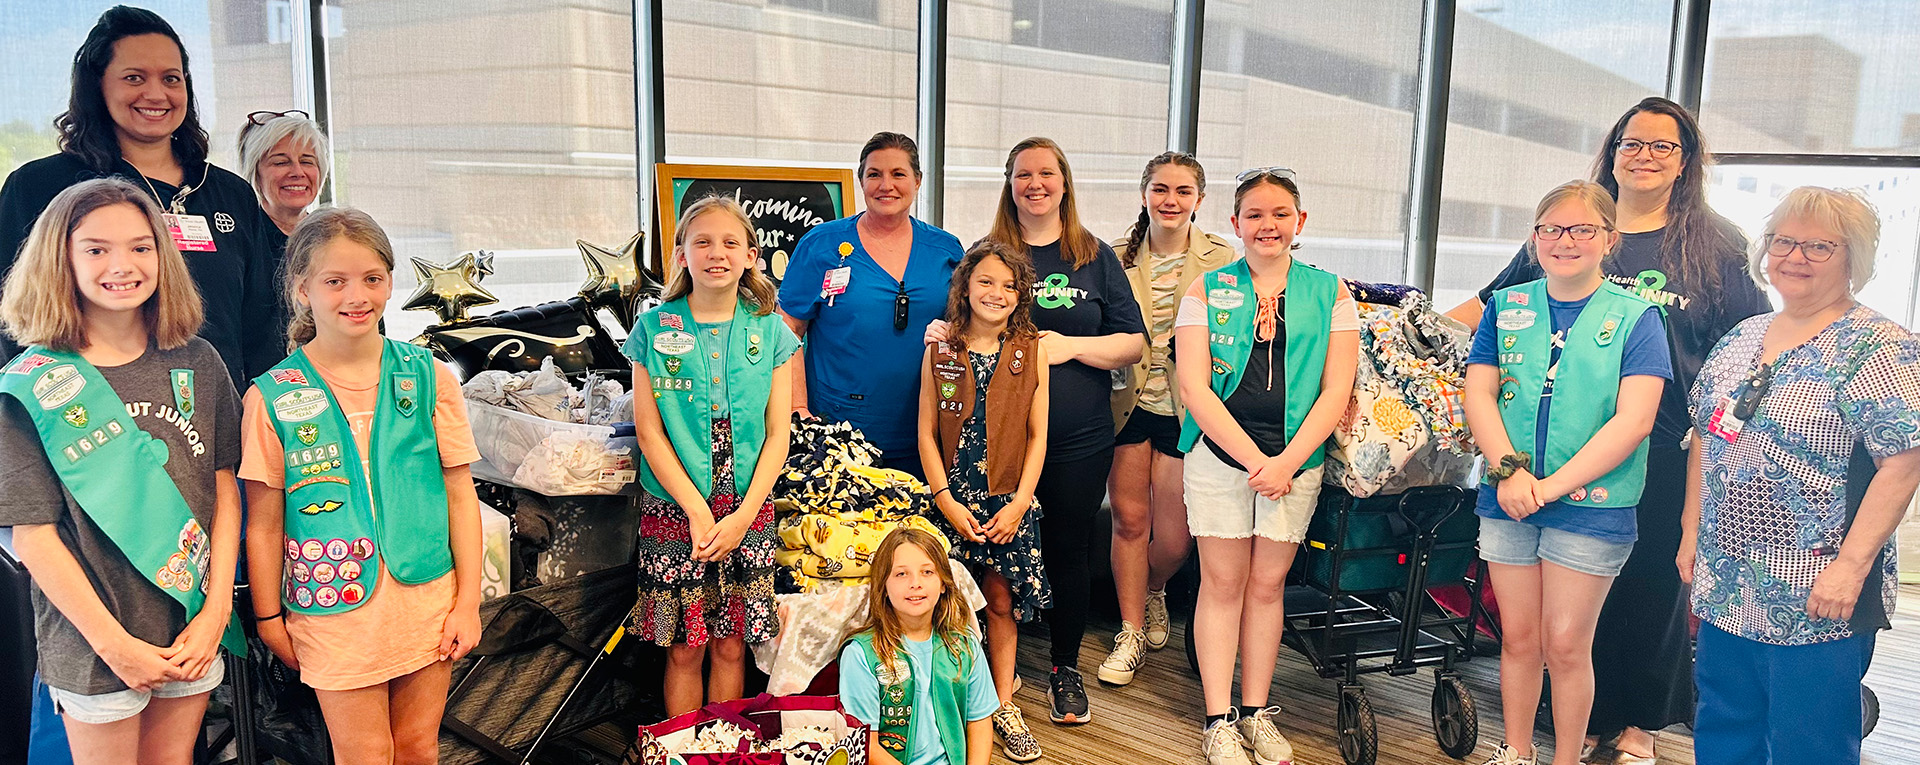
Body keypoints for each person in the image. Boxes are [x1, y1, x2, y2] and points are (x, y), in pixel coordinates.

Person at [1446, 98, 1767, 762]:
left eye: (1662, 145)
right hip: (1539, 454)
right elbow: (1486, 307)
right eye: (1632, 142)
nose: (1644, 155)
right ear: (1611, 149)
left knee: (1650, 589)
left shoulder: (1714, 243)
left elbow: (1753, 342)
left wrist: (1735, 424)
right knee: (1567, 616)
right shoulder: (1571, 222)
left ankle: (1639, 723)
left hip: (1662, 442)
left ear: (1686, 160)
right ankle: (1581, 724)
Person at [0, 179, 243, 763]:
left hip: (189, 623)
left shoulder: (196, 360)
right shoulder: (30, 386)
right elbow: (33, 538)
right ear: (61, 260)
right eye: (96, 249)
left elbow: (225, 487)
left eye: (141, 247)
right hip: (93, 641)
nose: (123, 265)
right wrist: (116, 647)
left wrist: (216, 610)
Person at [1682, 187, 1920, 765]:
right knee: (1722, 724)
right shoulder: (1742, 338)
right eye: (1784, 241)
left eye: (1819, 245)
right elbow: (1704, 439)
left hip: (1817, 588)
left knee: (1808, 742)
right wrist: (1690, 532)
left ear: (1854, 259)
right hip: (1726, 580)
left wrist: (1851, 567)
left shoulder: (1881, 347)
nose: (1795, 256)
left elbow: (1904, 461)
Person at [241, 207, 485, 762]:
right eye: (335, 281)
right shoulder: (272, 396)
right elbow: (263, 522)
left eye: (373, 279)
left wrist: (468, 600)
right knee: (365, 754)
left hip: (427, 597)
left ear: (391, 283)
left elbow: (459, 495)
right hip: (332, 606)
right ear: (302, 289)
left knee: (419, 747)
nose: (357, 295)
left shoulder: (428, 377)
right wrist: (268, 618)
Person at [1463, 181, 1670, 765]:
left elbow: (1634, 421)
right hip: (1508, 496)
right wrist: (1508, 472)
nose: (1565, 241)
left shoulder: (1638, 317)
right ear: (1534, 239)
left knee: (1566, 644)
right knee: (1520, 639)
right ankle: (1517, 750)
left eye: (1582, 229)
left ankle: (1565, 759)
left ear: (1610, 238)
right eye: (1552, 228)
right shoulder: (1508, 307)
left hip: (1592, 505)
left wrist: (1548, 487)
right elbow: (1478, 394)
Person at [1174, 168, 1359, 765]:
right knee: (1222, 584)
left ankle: (1256, 712)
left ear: (1299, 222)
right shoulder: (1205, 288)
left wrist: (1287, 463)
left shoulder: (1331, 291)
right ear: (1234, 224)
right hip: (1220, 456)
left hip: (1295, 462)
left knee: (1267, 585)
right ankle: (1218, 719)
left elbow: (1337, 391)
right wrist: (1258, 461)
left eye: (1280, 213)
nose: (1267, 225)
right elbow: (1195, 388)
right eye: (1254, 215)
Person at [0, 6, 285, 387]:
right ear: (98, 85)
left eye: (171, 78)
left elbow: (263, 330)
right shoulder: (39, 188)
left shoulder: (230, 193)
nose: (156, 94)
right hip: (85, 428)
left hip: (218, 423)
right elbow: (12, 327)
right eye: (134, 77)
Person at [974, 136, 1144, 725]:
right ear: (1010, 184)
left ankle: (1064, 669)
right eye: (1024, 174)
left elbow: (1132, 341)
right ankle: (994, 674)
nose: (1036, 184)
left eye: (1047, 173)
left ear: (1065, 182)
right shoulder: (989, 254)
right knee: (992, 552)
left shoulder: (1094, 256)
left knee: (1067, 549)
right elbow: (957, 326)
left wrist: (1069, 347)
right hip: (996, 439)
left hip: (1078, 437)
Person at [625, 196, 800, 715]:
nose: (716, 253)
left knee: (730, 643)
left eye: (730, 242)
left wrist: (743, 517)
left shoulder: (770, 331)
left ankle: (719, 746)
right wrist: (697, 512)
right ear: (680, 255)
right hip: (675, 507)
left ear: (751, 254)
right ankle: (681, 747)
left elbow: (777, 435)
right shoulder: (655, 329)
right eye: (701, 242)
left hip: (749, 504)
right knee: (685, 646)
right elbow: (649, 433)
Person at [1100, 151, 1236, 687]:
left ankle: (1154, 590)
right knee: (1129, 523)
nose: (1170, 200)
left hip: (1188, 410)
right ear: (1143, 195)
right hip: (1126, 404)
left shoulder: (1223, 259)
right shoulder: (1113, 257)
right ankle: (1130, 630)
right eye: (1160, 189)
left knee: (1176, 538)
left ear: (1199, 200)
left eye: (1183, 191)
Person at [917, 241, 1051, 761]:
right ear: (965, 287)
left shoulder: (1031, 349)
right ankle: (946, 700)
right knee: (942, 605)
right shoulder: (940, 348)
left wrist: (1020, 503)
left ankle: (1000, 703)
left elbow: (1039, 435)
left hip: (1007, 501)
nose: (997, 293)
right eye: (986, 282)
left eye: (1009, 285)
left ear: (1021, 295)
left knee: (1000, 602)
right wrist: (945, 500)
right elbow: (926, 433)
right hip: (952, 500)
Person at [779, 132, 964, 478]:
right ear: (860, 180)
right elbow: (787, 330)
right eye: (874, 174)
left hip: (925, 429)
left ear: (918, 181)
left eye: (898, 174)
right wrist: (798, 409)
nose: (886, 185)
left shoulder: (946, 250)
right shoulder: (821, 246)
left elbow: (968, 325)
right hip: (838, 431)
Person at [840, 527, 998, 765]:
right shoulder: (862, 654)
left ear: (944, 583)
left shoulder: (965, 644)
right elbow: (865, 743)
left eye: (927, 572)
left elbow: (979, 721)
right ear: (883, 586)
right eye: (901, 574)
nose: (915, 583)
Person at [236, 109, 328, 367]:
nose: (297, 172)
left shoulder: (336, 236)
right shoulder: (239, 242)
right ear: (255, 172)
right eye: (280, 162)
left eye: (307, 161)